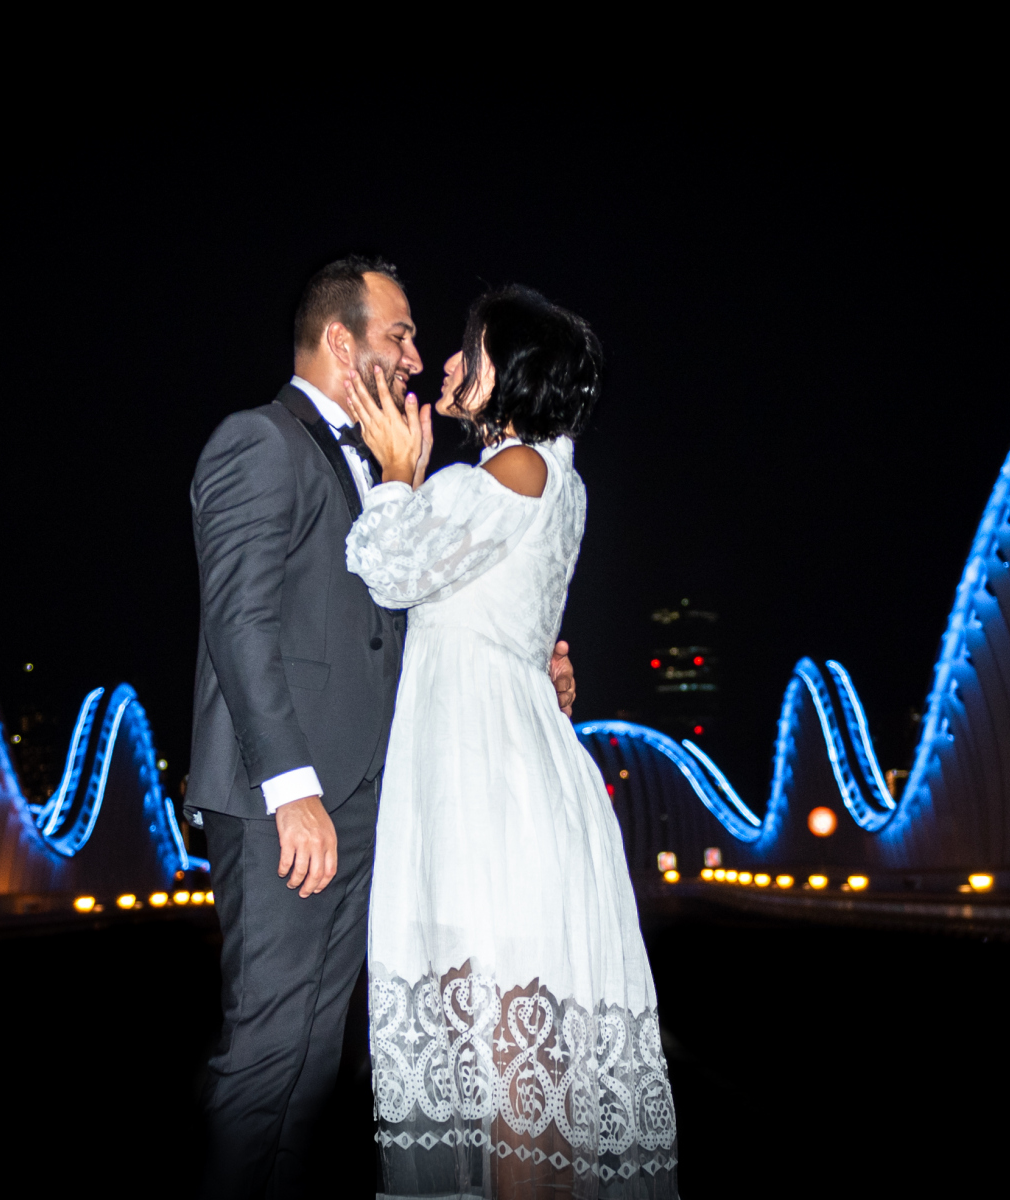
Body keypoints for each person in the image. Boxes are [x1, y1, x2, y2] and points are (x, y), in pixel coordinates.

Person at [187, 258, 577, 1199]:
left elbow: (403, 623)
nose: (414, 356)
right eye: (398, 335)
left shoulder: (392, 464)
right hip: (290, 799)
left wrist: (530, 661)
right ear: (339, 340)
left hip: (368, 798)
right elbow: (238, 625)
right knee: (266, 1050)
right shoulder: (259, 441)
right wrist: (293, 790)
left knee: (313, 1058)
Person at [343, 286, 678, 1199]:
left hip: (486, 788)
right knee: (518, 1070)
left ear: (513, 376)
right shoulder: (547, 478)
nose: (449, 364)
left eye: (471, 349)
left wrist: (397, 476)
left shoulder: (514, 470)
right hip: (504, 770)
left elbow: (391, 568)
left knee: (511, 1076)